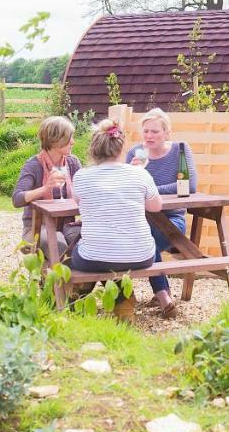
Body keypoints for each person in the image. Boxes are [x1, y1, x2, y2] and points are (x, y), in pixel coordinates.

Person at [71, 119, 164, 322]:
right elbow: (156, 207)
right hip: (141, 255)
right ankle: (123, 305)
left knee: (77, 246)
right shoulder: (140, 174)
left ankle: (75, 299)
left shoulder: (81, 176)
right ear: (121, 148)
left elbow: (77, 201)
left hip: (94, 257)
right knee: (116, 256)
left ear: (94, 148)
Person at [126, 108, 197, 307]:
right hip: (142, 219)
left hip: (172, 221)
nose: (149, 136)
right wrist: (131, 174)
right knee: (143, 237)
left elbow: (189, 185)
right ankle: (163, 296)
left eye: (154, 131)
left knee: (146, 241)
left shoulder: (179, 150)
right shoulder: (136, 153)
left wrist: (151, 190)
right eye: (146, 131)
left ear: (167, 133)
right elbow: (123, 187)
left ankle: (148, 295)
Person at [12, 116, 82, 252]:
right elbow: (17, 199)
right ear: (56, 141)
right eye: (69, 138)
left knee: (85, 243)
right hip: (37, 228)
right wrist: (45, 188)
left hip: (68, 225)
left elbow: (85, 192)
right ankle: (63, 272)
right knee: (58, 244)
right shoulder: (34, 165)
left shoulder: (73, 163)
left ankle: (70, 272)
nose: (73, 142)